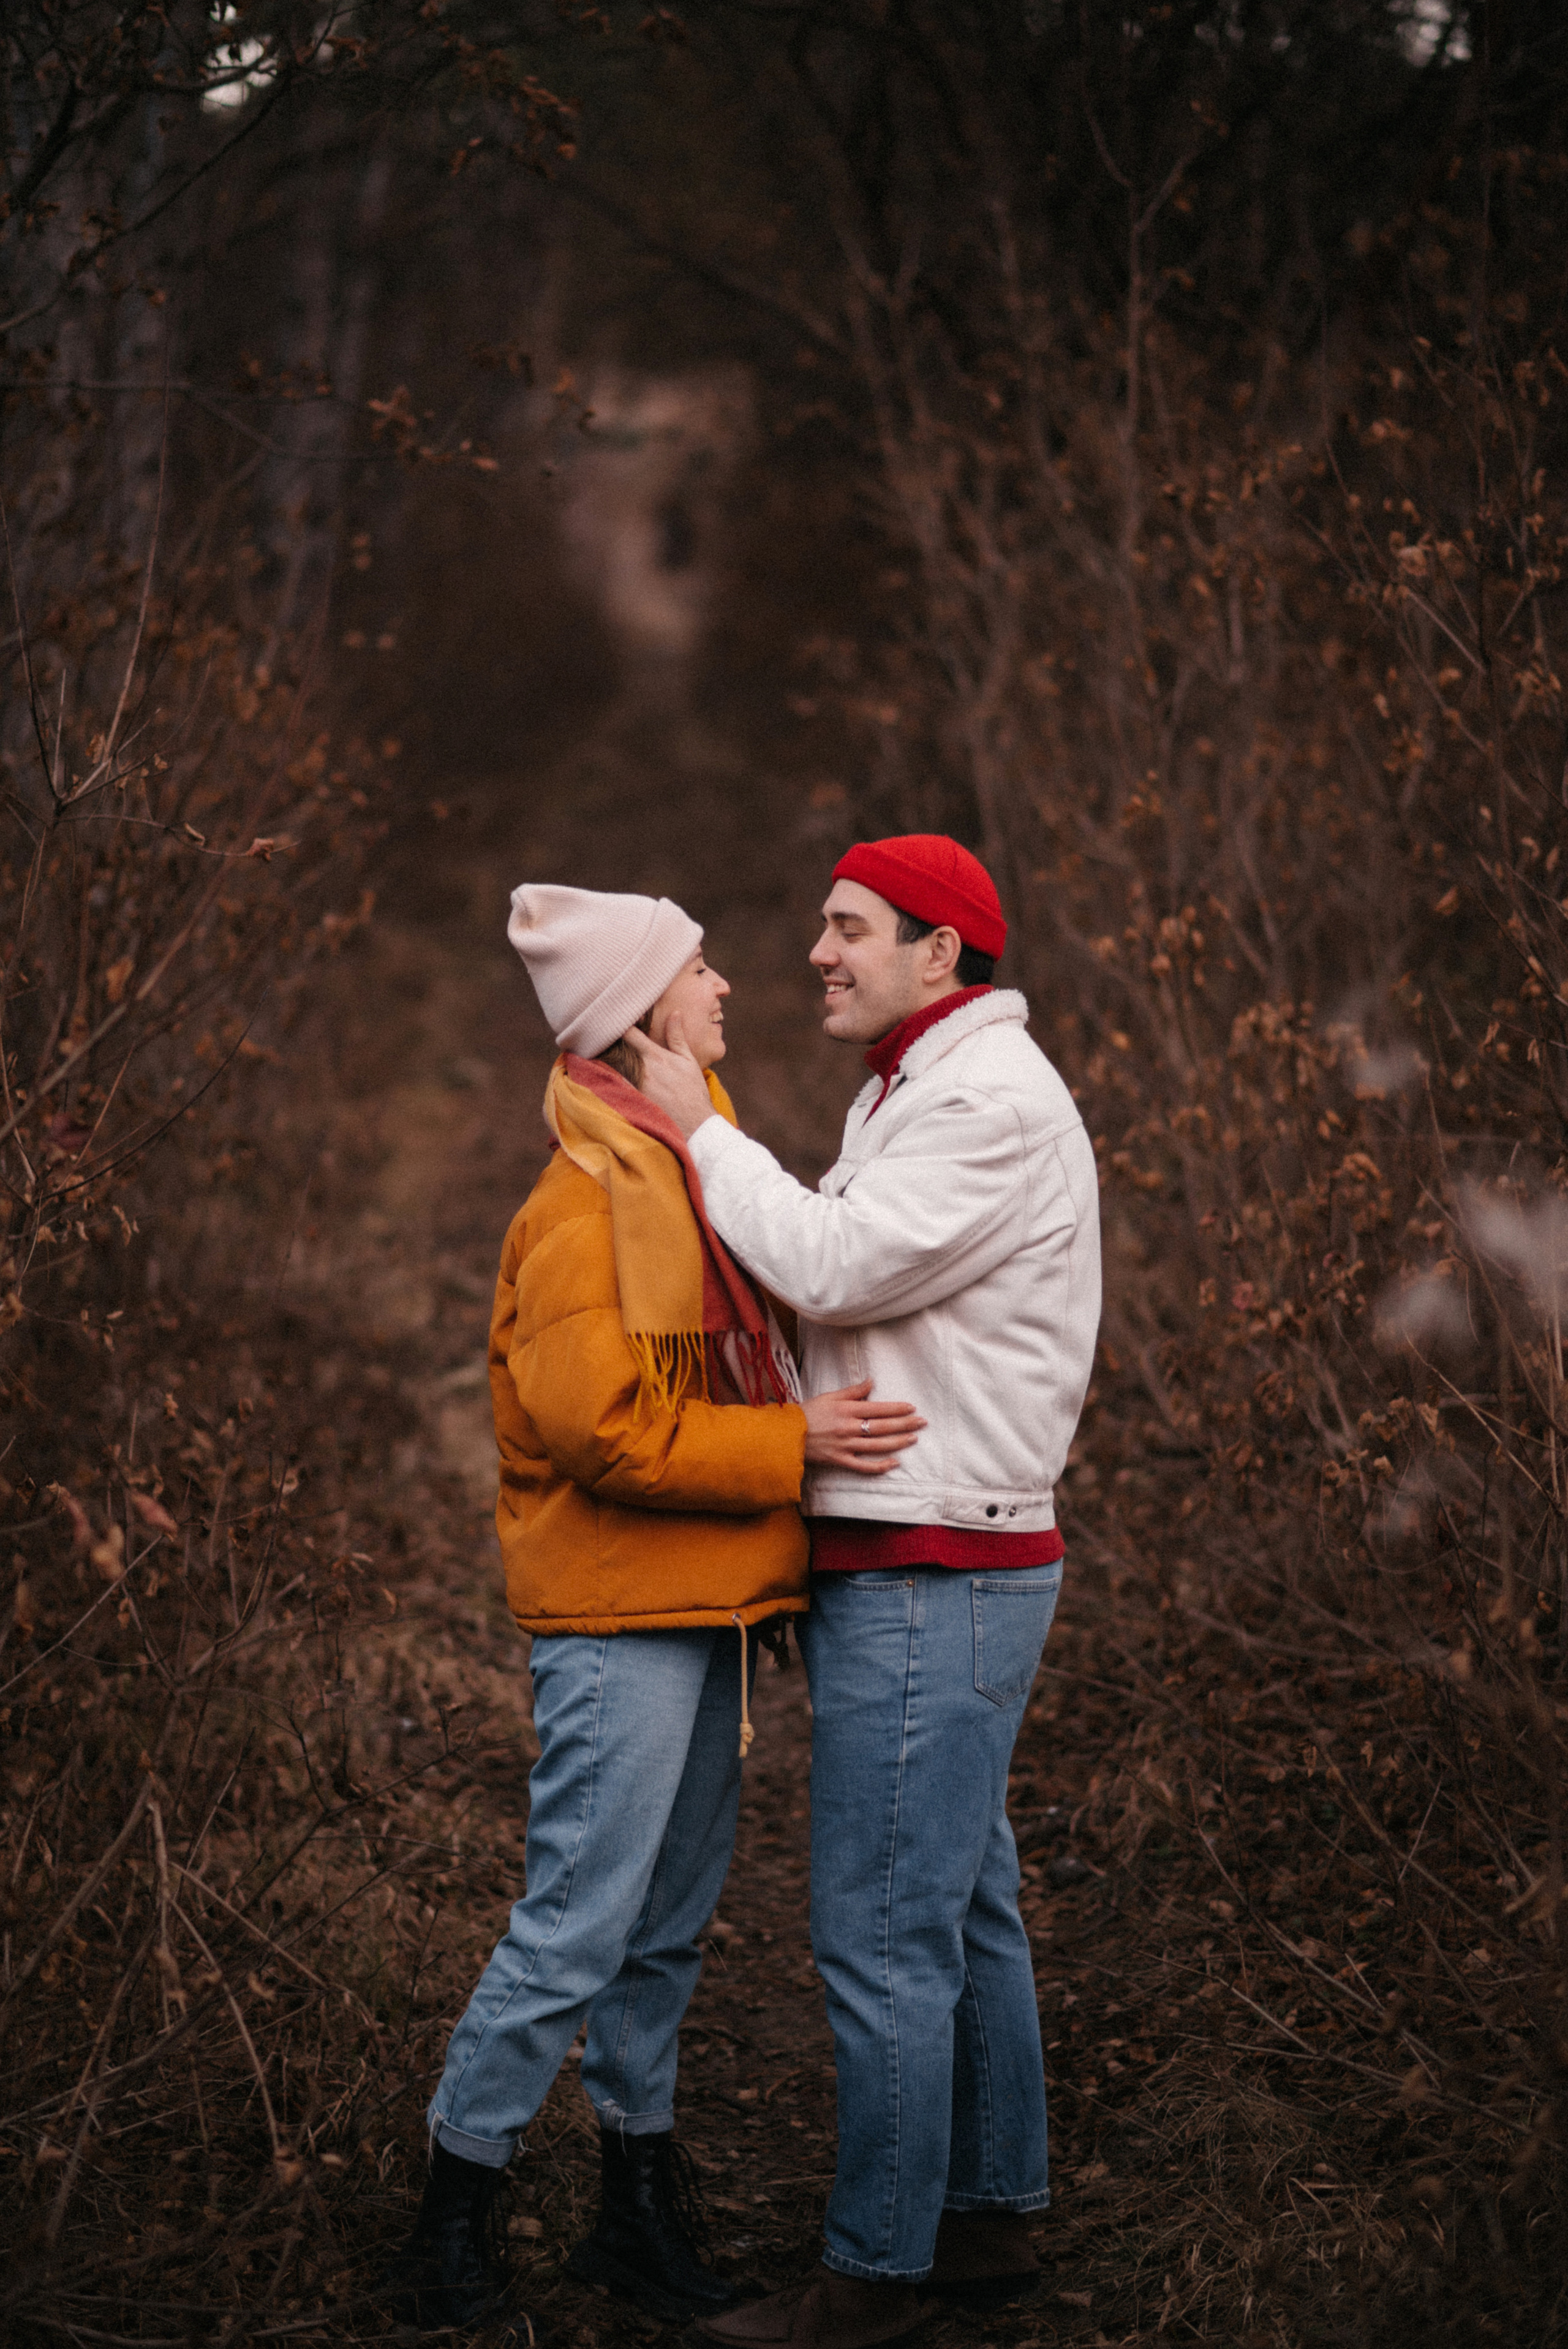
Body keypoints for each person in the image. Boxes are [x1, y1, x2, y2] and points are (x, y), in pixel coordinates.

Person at [383, 884, 923, 2336]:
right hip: (620, 1621)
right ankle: (452, 2209)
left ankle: (633, 2206)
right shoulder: (583, 1207)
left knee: (665, 1933)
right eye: (698, 969)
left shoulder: (689, 1172)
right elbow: (597, 1431)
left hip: (709, 1613)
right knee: (573, 1926)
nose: (728, 986)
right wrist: (793, 1449)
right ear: (634, 1016)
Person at [630, 834, 1101, 2349]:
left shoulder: (982, 1103)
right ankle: (986, 2219)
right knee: (961, 1906)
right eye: (821, 927)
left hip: (932, 1559)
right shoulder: (912, 1083)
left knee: (881, 1934)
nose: (816, 954)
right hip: (931, 1548)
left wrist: (698, 1128)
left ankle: (874, 2278)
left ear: (937, 954)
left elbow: (830, 1267)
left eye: (849, 930)